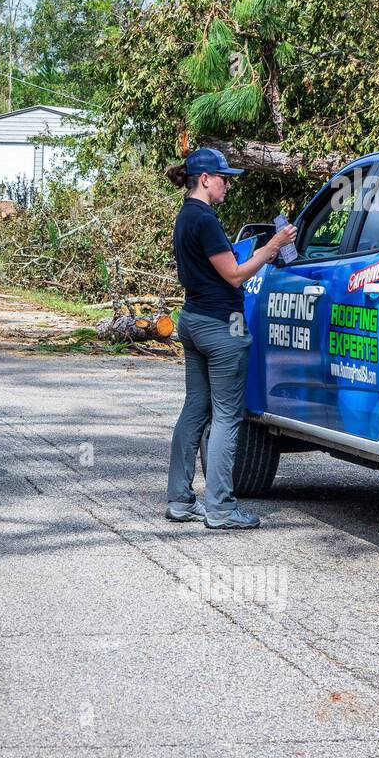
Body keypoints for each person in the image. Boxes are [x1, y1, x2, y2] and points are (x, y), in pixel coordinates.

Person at [165, 147, 297, 530]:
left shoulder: (185, 216)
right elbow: (236, 275)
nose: (228, 185)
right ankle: (220, 507)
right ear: (205, 179)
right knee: (226, 416)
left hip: (192, 319)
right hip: (223, 325)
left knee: (195, 409)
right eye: (224, 179)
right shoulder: (204, 219)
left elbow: (217, 268)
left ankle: (179, 499)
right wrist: (272, 247)